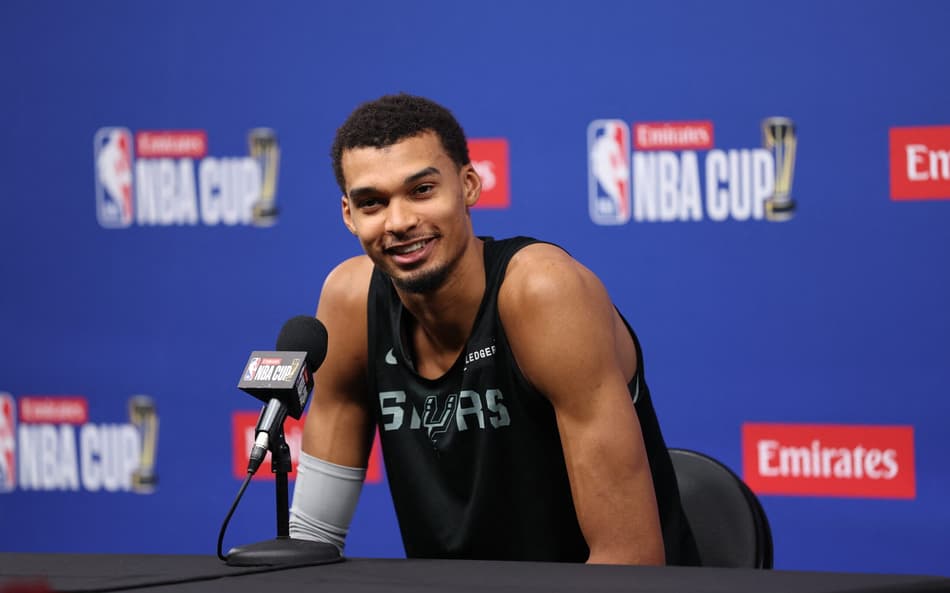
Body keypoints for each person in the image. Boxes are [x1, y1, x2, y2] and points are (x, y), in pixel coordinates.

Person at [289, 93, 699, 566]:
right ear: (349, 215)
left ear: (468, 185)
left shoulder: (544, 293)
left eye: (422, 190)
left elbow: (629, 557)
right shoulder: (350, 302)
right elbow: (310, 542)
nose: (398, 222)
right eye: (372, 203)